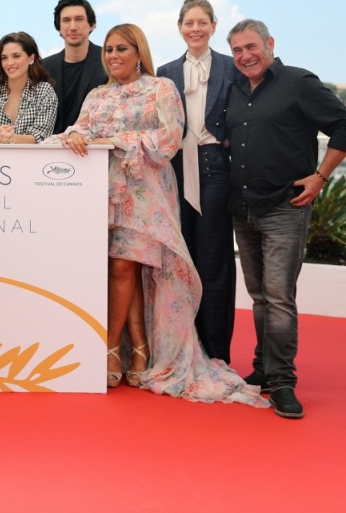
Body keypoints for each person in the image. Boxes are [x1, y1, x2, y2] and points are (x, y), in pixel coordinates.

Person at [53, 23, 266, 408]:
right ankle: (139, 349)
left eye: (122, 48)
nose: (113, 55)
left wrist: (115, 140)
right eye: (109, 50)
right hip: (104, 195)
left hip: (147, 193)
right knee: (126, 268)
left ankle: (109, 350)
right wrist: (75, 136)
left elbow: (169, 139)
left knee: (124, 266)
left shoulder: (160, 88)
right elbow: (79, 129)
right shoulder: (97, 94)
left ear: (139, 53)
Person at [226, 19, 346, 419]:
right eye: (237, 50)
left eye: (251, 46)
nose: (245, 56)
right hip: (244, 207)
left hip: (285, 207)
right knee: (260, 297)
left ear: (269, 43)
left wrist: (320, 177)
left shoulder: (299, 82)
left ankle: (283, 382)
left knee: (279, 297)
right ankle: (264, 369)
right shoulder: (235, 90)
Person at [156, 0, 237, 363]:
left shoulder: (231, 67)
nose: (195, 28)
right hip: (174, 169)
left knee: (215, 259)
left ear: (214, 26)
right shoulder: (166, 72)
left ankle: (216, 354)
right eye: (189, 23)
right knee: (180, 261)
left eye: (202, 22)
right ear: (179, 28)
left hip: (215, 166)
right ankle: (181, 351)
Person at [0, 32, 58, 143]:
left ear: (31, 58)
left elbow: (41, 136)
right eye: (4, 58)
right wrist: (3, 138)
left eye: (16, 56)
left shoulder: (45, 91)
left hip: (32, 155)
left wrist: (9, 137)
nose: (9, 63)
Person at [42, 0, 108, 134]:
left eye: (79, 19)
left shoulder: (108, 61)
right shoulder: (44, 67)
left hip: (93, 143)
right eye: (66, 20)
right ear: (58, 27)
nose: (73, 27)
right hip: (52, 144)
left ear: (92, 24)